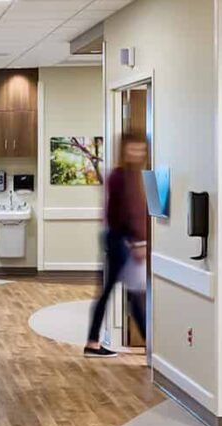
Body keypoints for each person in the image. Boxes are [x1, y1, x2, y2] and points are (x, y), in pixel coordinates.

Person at [84, 135, 149, 358]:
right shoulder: (120, 177)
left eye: (141, 150)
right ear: (124, 150)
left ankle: (93, 342)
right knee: (130, 292)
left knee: (131, 293)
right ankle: (93, 343)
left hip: (122, 241)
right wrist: (137, 241)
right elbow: (119, 215)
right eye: (133, 149)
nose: (137, 154)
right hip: (120, 241)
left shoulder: (136, 177)